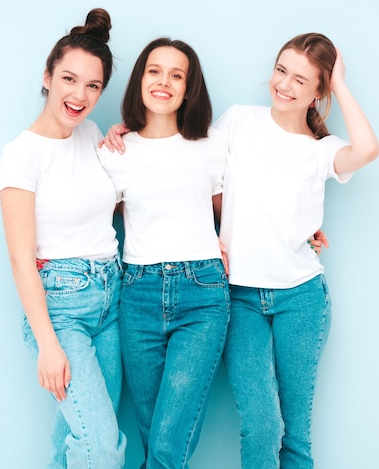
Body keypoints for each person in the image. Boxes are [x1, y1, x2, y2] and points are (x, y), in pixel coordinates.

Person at [215, 33, 379, 468]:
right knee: (262, 424)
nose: (284, 84)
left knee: (297, 436)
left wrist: (339, 83)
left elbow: (366, 149)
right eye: (281, 70)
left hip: (301, 298)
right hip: (239, 297)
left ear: (317, 92)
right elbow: (198, 180)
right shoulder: (238, 121)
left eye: (301, 80)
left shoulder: (320, 151)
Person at [0, 8, 126, 468]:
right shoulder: (21, 155)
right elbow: (20, 258)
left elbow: (112, 207)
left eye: (93, 86)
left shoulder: (91, 133)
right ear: (48, 76)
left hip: (112, 299)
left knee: (80, 435)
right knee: (101, 448)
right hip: (62, 308)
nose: (80, 94)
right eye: (69, 79)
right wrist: (49, 345)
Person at [96, 37, 230, 469]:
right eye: (155, 71)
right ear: (140, 79)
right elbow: (87, 213)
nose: (164, 82)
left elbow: (239, 215)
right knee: (153, 438)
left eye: (177, 75)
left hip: (202, 294)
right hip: (137, 294)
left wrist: (305, 227)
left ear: (189, 88)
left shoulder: (211, 146)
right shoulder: (113, 152)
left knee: (168, 447)